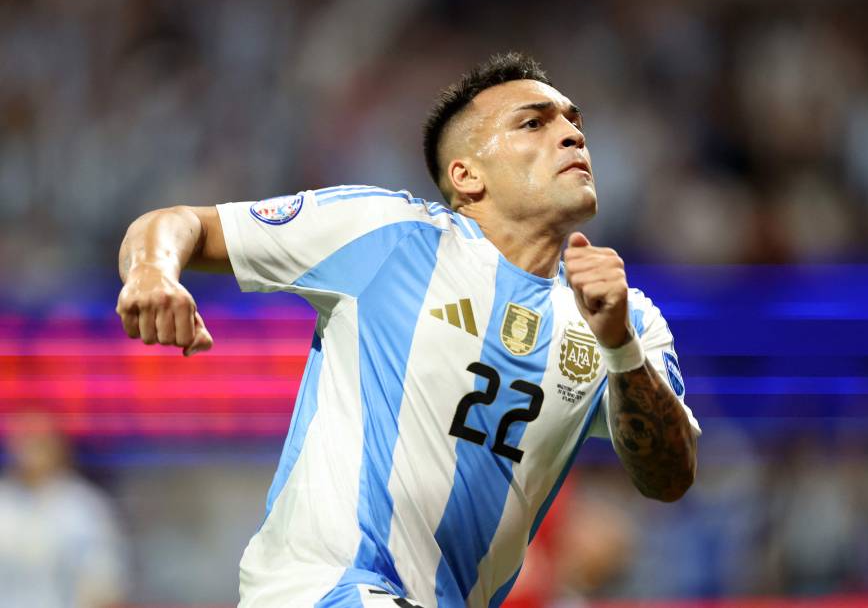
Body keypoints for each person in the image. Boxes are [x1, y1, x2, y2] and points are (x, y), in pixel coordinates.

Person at [115, 52, 700, 607]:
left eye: (575, 122)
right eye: (533, 123)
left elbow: (670, 478)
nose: (572, 135)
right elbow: (180, 222)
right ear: (467, 175)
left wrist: (619, 346)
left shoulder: (625, 318)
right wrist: (151, 272)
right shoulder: (387, 234)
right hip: (322, 590)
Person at [0, 409, 127, 607]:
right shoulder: (3, 503)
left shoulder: (84, 508)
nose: (31, 448)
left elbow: (105, 582)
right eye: (25, 438)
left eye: (40, 440)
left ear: (58, 444)